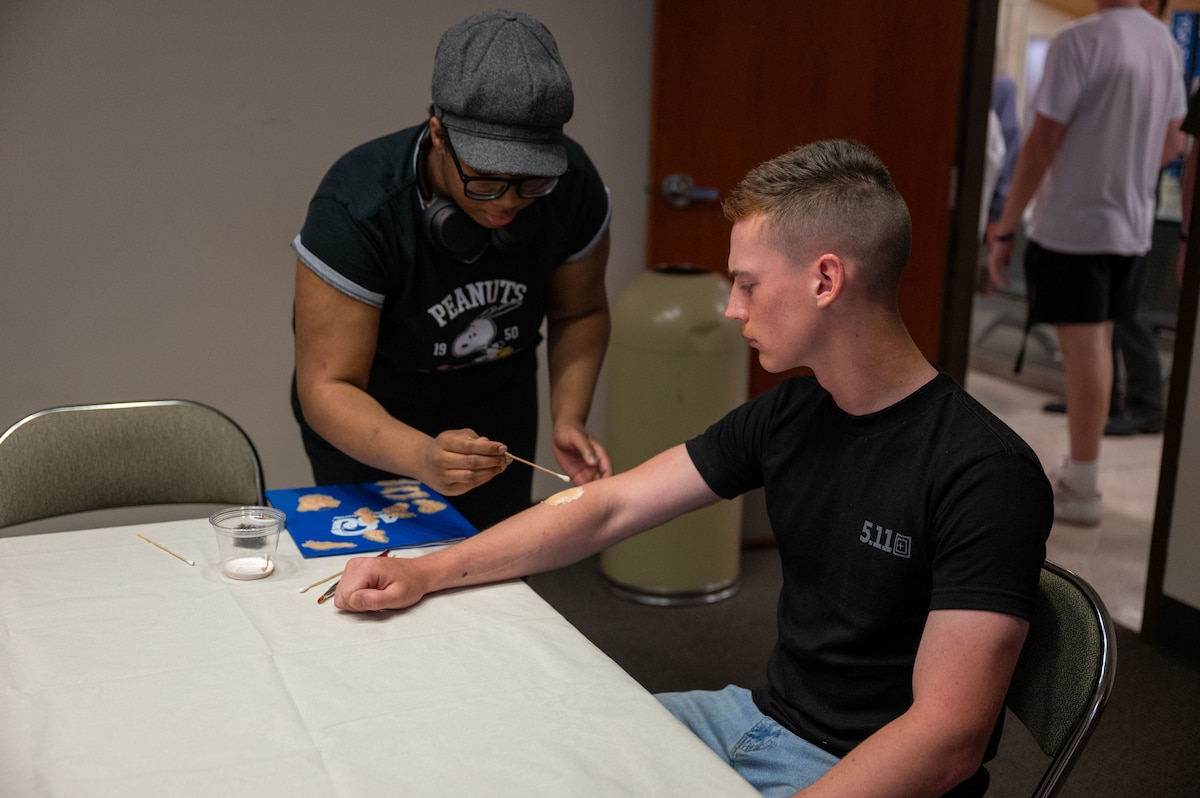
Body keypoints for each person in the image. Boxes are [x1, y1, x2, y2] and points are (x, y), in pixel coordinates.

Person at [335, 140, 1053, 797]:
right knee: (533, 749)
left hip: (863, 773)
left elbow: (948, 740)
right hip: (753, 721)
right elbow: (610, 507)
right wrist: (426, 571)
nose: (734, 309)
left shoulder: (984, 473)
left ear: (826, 279)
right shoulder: (793, 413)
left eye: (746, 283)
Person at [290, 10, 613, 530]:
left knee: (493, 576)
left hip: (497, 405)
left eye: (532, 182)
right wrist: (421, 457)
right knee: (378, 580)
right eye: (485, 180)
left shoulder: (572, 188)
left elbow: (581, 312)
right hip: (373, 418)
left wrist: (568, 416)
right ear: (439, 135)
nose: (508, 203)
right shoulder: (358, 206)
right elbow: (328, 387)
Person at [987, 0, 1186, 525]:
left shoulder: (1080, 40)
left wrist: (1005, 227)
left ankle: (1083, 488)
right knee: (1098, 345)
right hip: (1132, 228)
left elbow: (1043, 140)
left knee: (1085, 352)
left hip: (1075, 227)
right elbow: (1172, 139)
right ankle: (1082, 471)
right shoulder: (1165, 44)